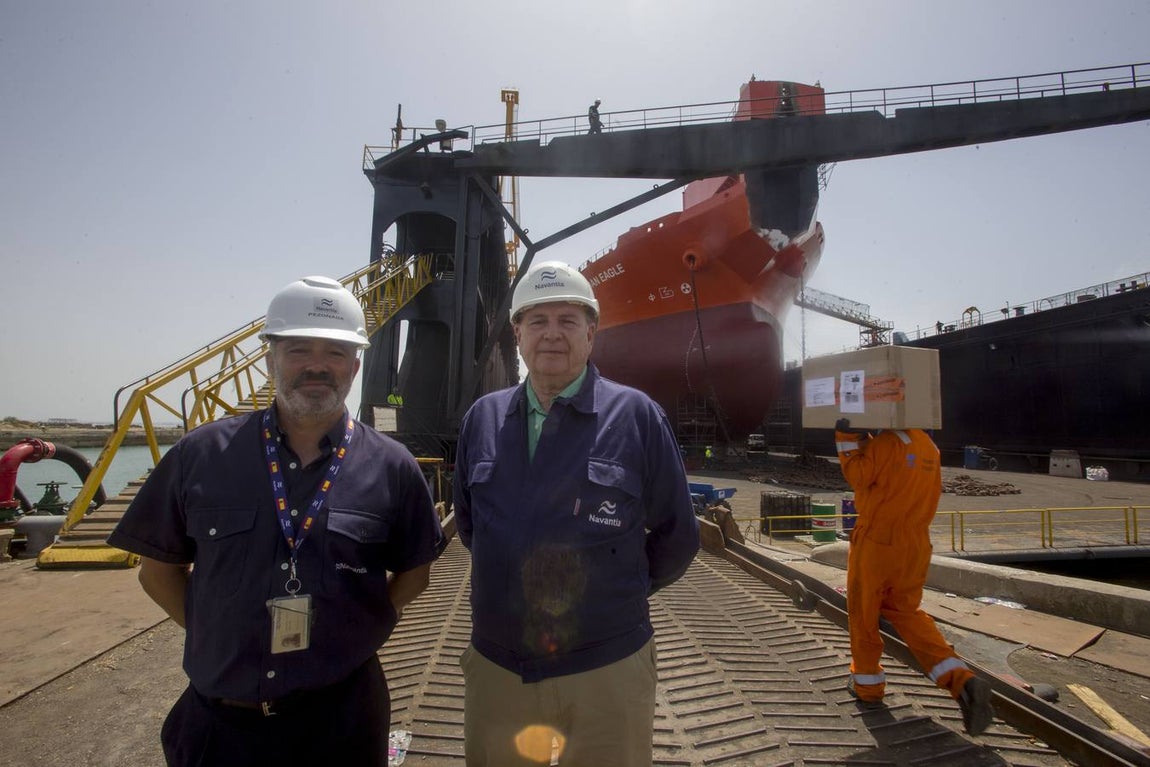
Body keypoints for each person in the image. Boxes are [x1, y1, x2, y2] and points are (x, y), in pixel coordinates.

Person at [107, 275, 444, 767]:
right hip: (221, 729)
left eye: (335, 353)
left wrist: (362, 627)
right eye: (298, 350)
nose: (316, 365)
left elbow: (416, 573)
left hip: (342, 721)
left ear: (355, 366)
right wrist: (217, 634)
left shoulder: (393, 467)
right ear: (270, 359)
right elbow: (156, 572)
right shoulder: (200, 455)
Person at [453, 260, 700, 766]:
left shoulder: (636, 416)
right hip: (500, 669)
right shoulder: (482, 419)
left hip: (606, 668)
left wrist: (614, 589)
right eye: (537, 321)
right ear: (517, 334)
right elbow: (471, 526)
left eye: (568, 320)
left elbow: (678, 536)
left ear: (591, 333)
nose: (552, 334)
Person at [834, 417, 994, 736]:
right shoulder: (927, 446)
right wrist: (866, 438)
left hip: (878, 542)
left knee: (864, 615)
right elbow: (893, 476)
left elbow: (859, 476)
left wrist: (846, 439)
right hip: (916, 544)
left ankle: (868, 687)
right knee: (906, 613)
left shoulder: (887, 443)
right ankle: (962, 681)